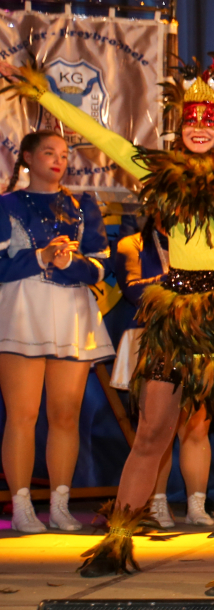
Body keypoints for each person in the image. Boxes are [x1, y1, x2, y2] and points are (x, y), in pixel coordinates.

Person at [1, 54, 214, 577]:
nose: (199, 127)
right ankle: (117, 541)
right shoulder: (159, 173)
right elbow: (103, 137)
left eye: (210, 119)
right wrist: (44, 95)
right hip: (175, 319)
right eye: (190, 119)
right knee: (151, 432)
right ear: (180, 126)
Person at [0, 131, 113, 533]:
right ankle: (22, 506)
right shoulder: (7, 204)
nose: (58, 160)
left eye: (64, 154)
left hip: (71, 312)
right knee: (23, 413)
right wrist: (40, 257)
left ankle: (61, 505)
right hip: (23, 308)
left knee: (65, 414)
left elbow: (101, 267)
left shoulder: (83, 206)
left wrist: (69, 263)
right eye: (49, 152)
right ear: (28, 157)